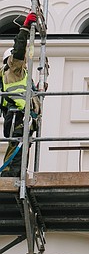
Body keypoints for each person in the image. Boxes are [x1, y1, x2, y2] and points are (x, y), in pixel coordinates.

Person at [1, 11, 40, 177]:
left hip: (21, 116)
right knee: (18, 146)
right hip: (18, 115)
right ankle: (10, 175)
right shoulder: (13, 69)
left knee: (21, 147)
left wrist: (36, 91)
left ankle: (16, 174)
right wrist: (24, 28)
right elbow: (18, 50)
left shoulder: (19, 75)